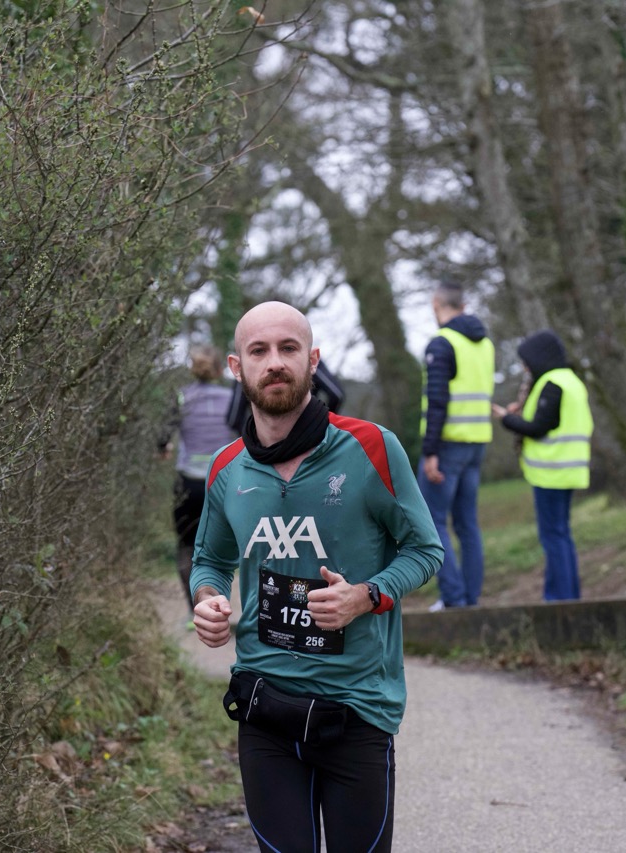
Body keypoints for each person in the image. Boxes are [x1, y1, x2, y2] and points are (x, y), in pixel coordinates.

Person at [189, 301, 442, 853]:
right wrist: (207, 600)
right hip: (265, 706)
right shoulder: (226, 468)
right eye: (259, 351)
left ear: (313, 359)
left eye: (289, 348)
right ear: (237, 367)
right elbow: (210, 561)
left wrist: (367, 596)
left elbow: (426, 550)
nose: (274, 362)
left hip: (356, 707)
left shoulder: (371, 447)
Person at [492, 329, 593, 602]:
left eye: (527, 361)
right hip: (569, 469)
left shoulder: (552, 383)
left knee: (553, 537)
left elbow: (538, 428)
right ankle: (568, 596)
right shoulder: (571, 381)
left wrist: (506, 418)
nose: (526, 368)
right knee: (562, 535)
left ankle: (560, 600)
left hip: (552, 471)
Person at [418, 280, 495, 610]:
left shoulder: (442, 344)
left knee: (431, 521)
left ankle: (453, 600)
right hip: (477, 444)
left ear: (436, 304)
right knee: (467, 524)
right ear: (463, 306)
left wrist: (430, 451)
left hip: (447, 446)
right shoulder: (485, 344)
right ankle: (470, 599)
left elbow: (437, 401)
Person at [161, 344, 239, 616]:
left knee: (187, 547)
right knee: (228, 547)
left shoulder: (181, 397)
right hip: (223, 484)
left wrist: (164, 449)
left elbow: (163, 437)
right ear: (219, 369)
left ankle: (196, 612)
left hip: (188, 485)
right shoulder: (232, 398)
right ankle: (228, 609)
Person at [226, 357, 345, 434]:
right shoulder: (304, 359)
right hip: (308, 438)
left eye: (288, 349)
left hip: (262, 449)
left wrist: (254, 442)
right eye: (259, 351)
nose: (275, 365)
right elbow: (336, 395)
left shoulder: (249, 366)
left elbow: (233, 419)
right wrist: (321, 429)